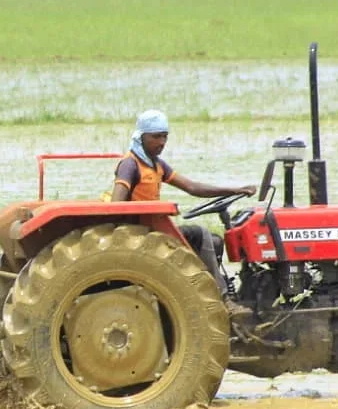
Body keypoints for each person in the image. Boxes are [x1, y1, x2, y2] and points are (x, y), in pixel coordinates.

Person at [109, 110, 256, 293]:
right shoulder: (130, 165)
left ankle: (209, 289)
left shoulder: (157, 164)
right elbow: (115, 204)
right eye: (156, 137)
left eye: (165, 136)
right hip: (143, 233)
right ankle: (220, 294)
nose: (162, 143)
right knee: (200, 233)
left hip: (152, 229)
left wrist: (235, 190)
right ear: (141, 137)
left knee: (215, 241)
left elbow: (192, 187)